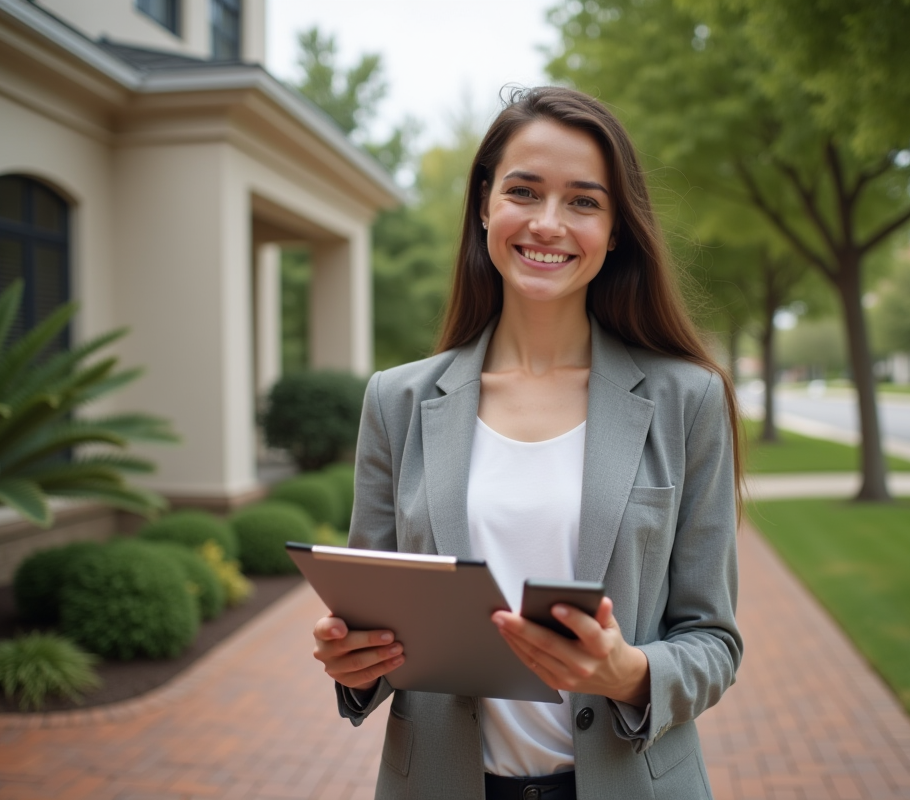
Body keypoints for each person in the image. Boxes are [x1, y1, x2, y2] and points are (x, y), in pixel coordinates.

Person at [311, 86, 743, 800]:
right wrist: (355, 660)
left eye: (583, 201)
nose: (548, 223)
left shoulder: (686, 400)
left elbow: (714, 641)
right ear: (485, 204)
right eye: (524, 191)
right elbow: (376, 624)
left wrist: (628, 673)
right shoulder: (398, 401)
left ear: (615, 230)